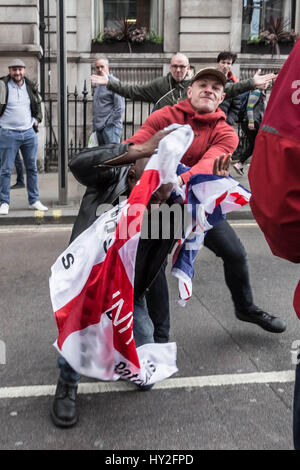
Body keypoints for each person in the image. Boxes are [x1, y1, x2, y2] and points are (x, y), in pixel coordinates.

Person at [50, 68, 234, 428]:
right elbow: (78, 164)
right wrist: (138, 150)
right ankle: (67, 384)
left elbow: (154, 274)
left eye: (162, 175)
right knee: (82, 330)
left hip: (128, 291)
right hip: (89, 281)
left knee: (144, 376)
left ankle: (127, 343)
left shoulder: (166, 209)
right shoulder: (111, 177)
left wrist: (190, 194)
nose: (154, 177)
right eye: (150, 166)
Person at [248, 38, 300, 450]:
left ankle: (246, 307)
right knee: (153, 262)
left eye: (216, 86)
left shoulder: (222, 126)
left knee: (230, 253)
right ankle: (150, 331)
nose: (209, 90)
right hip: (169, 211)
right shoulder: (167, 111)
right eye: (201, 85)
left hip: (207, 214)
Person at [91, 52, 277, 110]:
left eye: (182, 66)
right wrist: (110, 83)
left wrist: (251, 83)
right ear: (170, 67)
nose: (178, 70)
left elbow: (230, 89)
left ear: (188, 68)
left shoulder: (196, 85)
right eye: (175, 66)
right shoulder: (159, 85)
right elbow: (133, 91)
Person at [0, 59, 48, 215]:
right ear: (9, 70)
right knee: (6, 170)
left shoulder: (30, 86)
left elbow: (38, 104)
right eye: (14, 69)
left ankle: (34, 200)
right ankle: (4, 202)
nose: (17, 73)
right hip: (8, 133)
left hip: (28, 133)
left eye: (20, 69)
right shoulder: (3, 85)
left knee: (32, 168)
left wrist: (37, 119)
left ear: (24, 70)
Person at [233, 85, 267, 175]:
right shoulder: (256, 92)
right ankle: (242, 163)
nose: (267, 83)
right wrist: (251, 122)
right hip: (252, 122)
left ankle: (240, 164)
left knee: (255, 145)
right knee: (258, 144)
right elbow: (249, 107)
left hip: (251, 122)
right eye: (265, 81)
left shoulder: (260, 93)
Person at [92, 56, 125, 145]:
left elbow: (120, 107)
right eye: (97, 67)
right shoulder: (99, 85)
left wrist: (108, 123)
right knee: (103, 158)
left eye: (102, 66)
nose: (99, 69)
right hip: (99, 129)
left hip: (110, 128)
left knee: (112, 157)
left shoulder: (114, 82)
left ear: (108, 68)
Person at [217, 51, 241, 127]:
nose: (225, 66)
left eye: (228, 63)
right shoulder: (210, 77)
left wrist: (228, 121)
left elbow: (236, 106)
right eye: (223, 62)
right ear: (218, 63)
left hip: (224, 123)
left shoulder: (235, 82)